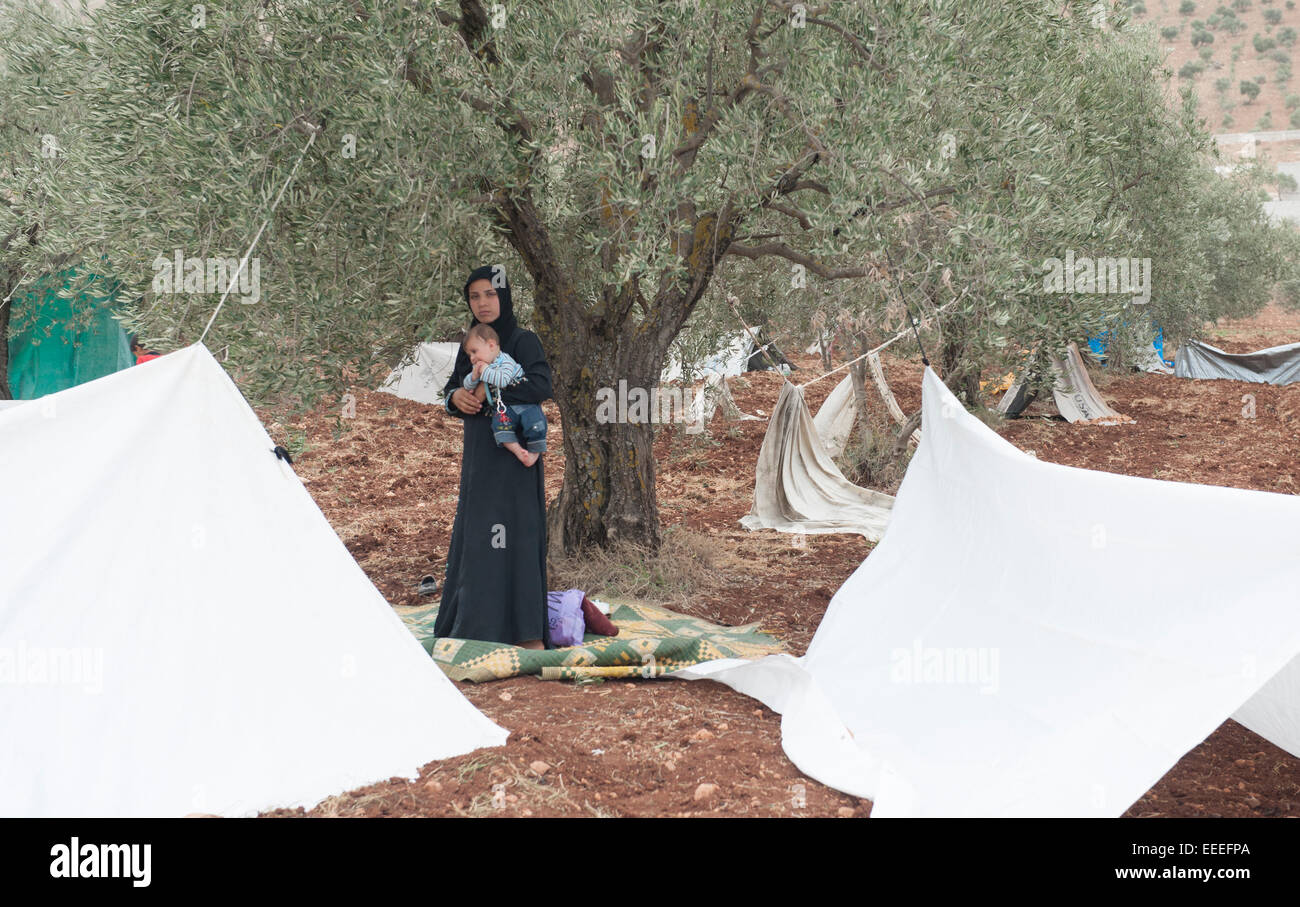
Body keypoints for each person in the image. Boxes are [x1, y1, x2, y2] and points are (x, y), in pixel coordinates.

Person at [434, 266, 553, 650]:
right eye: (474, 296)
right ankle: (476, 626)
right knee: (481, 537)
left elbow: (541, 385)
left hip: (516, 460)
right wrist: (456, 398)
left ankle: (527, 633)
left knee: (518, 534)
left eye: (489, 294)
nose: (482, 303)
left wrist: (491, 387)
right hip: (482, 456)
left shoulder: (523, 340)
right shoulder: (470, 343)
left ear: (504, 295)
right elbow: (453, 387)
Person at [460, 324, 547, 467]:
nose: (472, 358)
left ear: (491, 345)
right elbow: (467, 386)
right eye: (470, 354)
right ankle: (519, 451)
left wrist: (485, 372)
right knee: (499, 427)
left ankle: (534, 454)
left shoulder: (505, 361)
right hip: (505, 408)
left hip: (525, 404)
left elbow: (503, 380)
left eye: (474, 352)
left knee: (535, 424)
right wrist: (474, 376)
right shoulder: (483, 367)